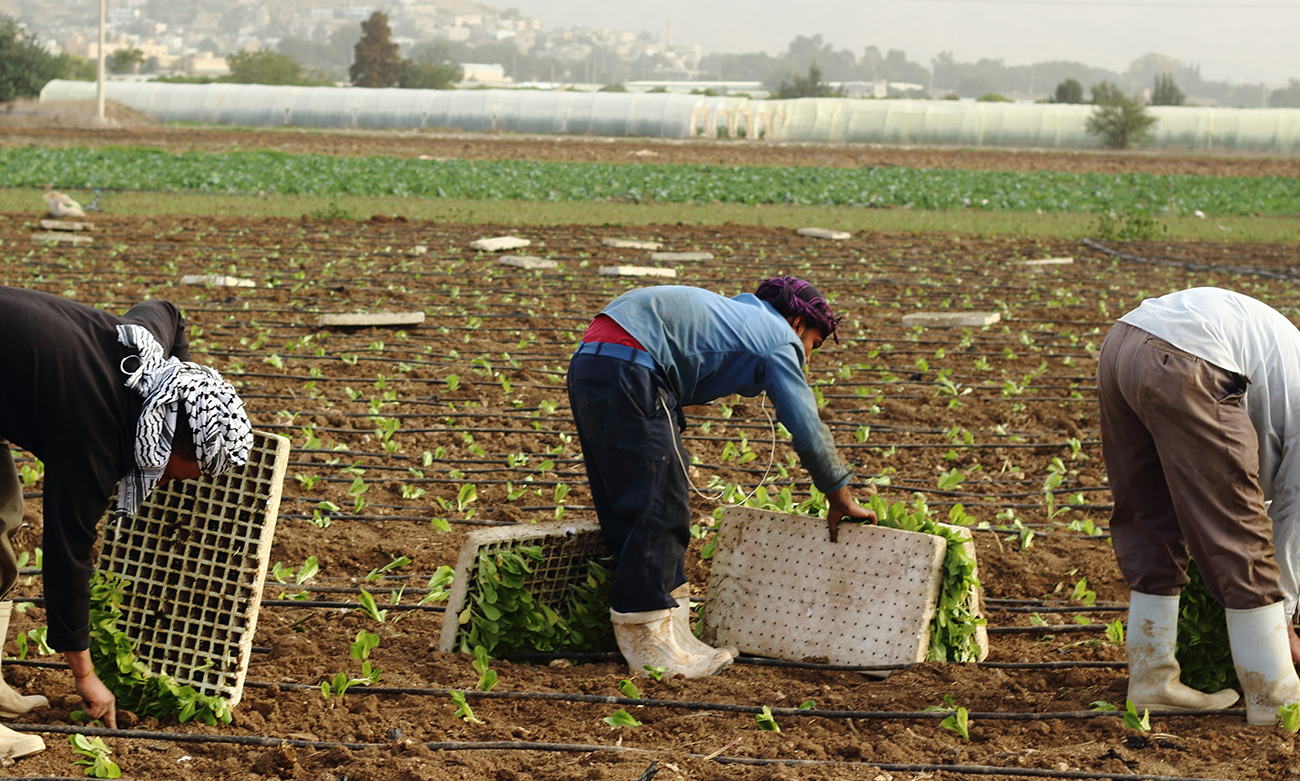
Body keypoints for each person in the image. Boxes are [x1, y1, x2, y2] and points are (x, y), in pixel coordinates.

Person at [567, 278, 874, 679]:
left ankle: (671, 632)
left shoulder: (739, 314)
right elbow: (807, 428)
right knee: (661, 508)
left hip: (591, 362)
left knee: (630, 502)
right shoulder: (780, 339)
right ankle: (651, 649)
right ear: (798, 323)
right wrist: (839, 495)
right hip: (632, 366)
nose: (807, 359)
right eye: (813, 345)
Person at [0, 286, 253, 758]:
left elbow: (170, 312)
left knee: (3, 513)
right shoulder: (95, 437)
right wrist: (85, 674)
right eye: (200, 469)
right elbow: (67, 552)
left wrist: (181, 371)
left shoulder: (152, 363)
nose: (196, 480)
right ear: (174, 444)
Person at [1098, 286, 1300, 725]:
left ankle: (1152, 678)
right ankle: (1275, 697)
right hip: (1191, 358)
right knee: (1237, 533)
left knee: (1150, 517)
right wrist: (1283, 620)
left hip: (1123, 344)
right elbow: (1289, 514)